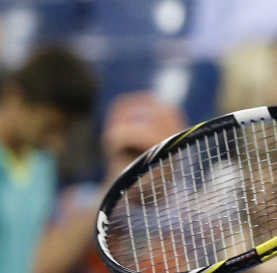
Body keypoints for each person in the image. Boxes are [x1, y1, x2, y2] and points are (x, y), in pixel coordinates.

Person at [33, 92, 188, 273]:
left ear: (174, 160)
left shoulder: (198, 210)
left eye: (149, 155)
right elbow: (41, 267)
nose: (137, 166)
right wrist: (108, 197)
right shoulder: (78, 201)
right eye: (128, 153)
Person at [0, 45, 95, 273]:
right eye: (50, 128)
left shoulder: (43, 163)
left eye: (64, 131)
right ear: (16, 97)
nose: (57, 143)